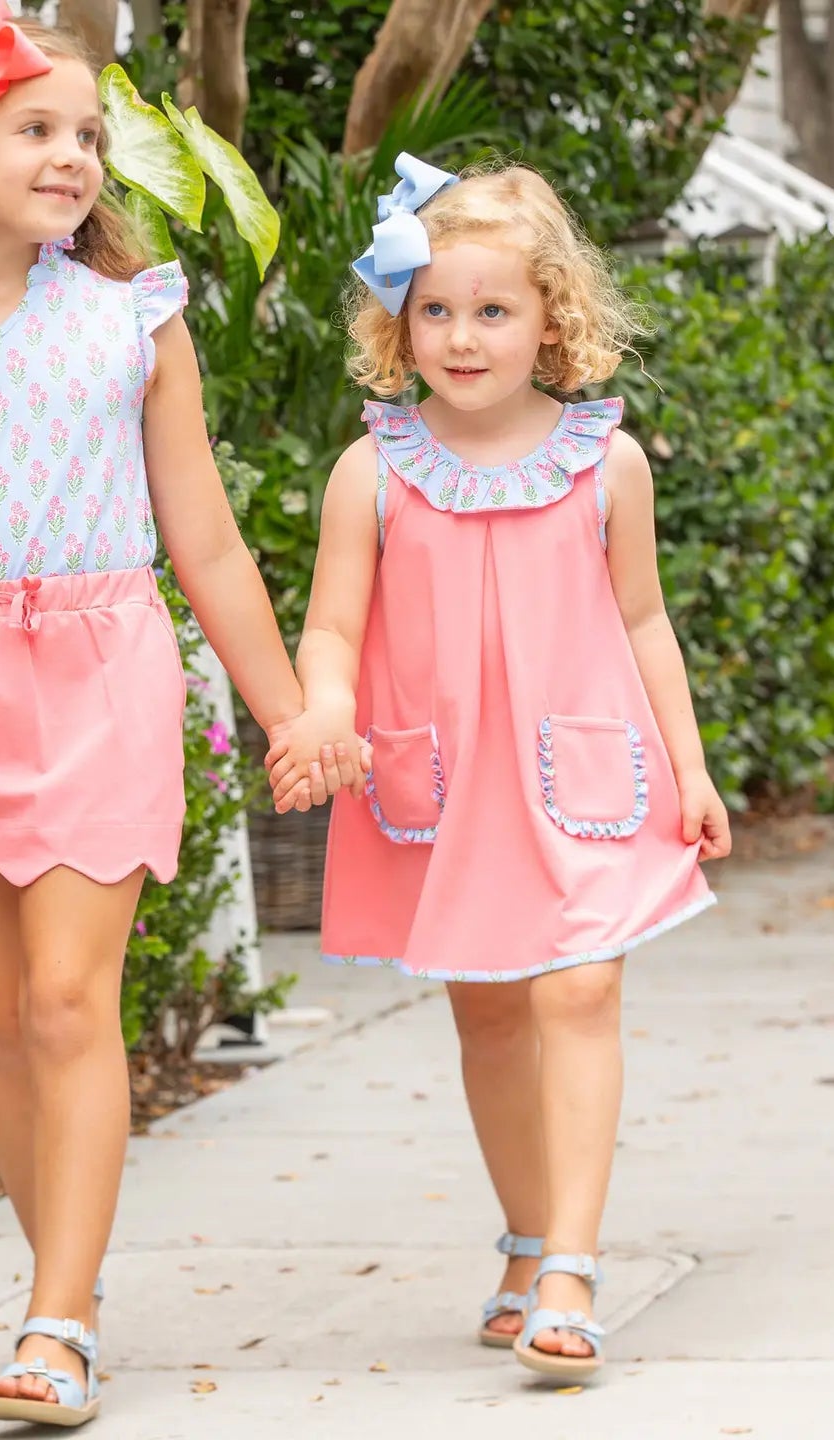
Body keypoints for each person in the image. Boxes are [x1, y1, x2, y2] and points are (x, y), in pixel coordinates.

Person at [0, 1, 333, 1424]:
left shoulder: (132, 323)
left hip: (104, 668)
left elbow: (210, 543)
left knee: (65, 999)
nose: (74, 157)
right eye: (38, 129)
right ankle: (66, 1278)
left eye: (88, 135)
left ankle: (55, 1322)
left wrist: (287, 707)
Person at [269, 154, 733, 1382]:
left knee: (578, 994)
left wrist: (690, 768)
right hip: (442, 784)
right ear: (398, 321)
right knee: (485, 1010)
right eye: (436, 310)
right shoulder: (370, 471)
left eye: (494, 311)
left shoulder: (605, 466)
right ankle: (528, 1239)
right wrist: (323, 708)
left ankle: (572, 1269)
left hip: (588, 776)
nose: (463, 338)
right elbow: (331, 627)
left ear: (552, 320)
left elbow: (643, 625)